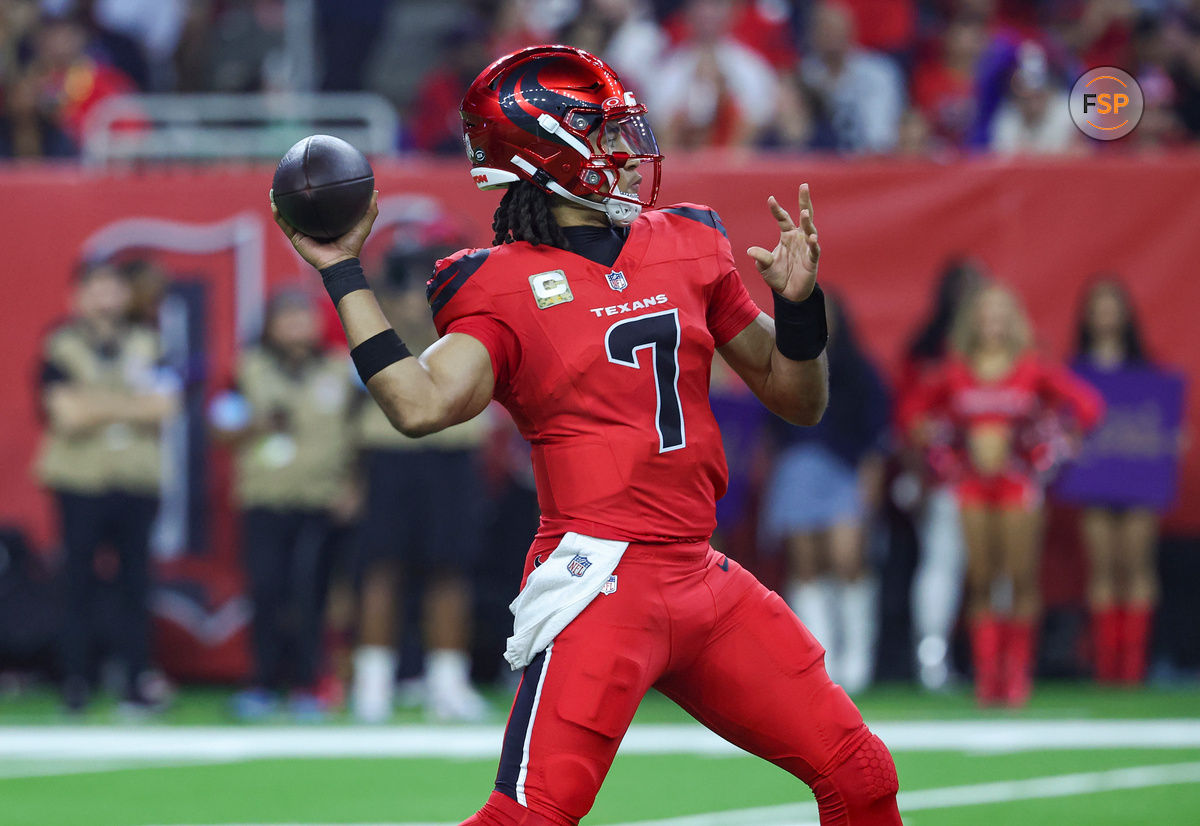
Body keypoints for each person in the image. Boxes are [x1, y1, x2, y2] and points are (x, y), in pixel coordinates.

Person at [272, 45, 900, 826]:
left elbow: (797, 397)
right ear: (545, 151)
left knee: (863, 775)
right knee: (526, 819)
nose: (629, 151)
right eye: (603, 132)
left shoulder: (690, 242)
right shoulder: (498, 281)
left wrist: (802, 314)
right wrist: (341, 269)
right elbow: (419, 403)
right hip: (601, 578)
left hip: (699, 573)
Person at [899, 281, 1103, 707]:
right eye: (985, 314)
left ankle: (1017, 675)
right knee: (982, 580)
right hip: (972, 485)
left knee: (1020, 578)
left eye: (1000, 314)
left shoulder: (1033, 368)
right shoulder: (955, 369)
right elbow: (912, 412)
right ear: (973, 321)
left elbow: (1087, 406)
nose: (992, 322)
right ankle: (988, 677)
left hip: (1017, 483)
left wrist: (1057, 443)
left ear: (1013, 321)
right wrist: (938, 442)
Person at [351, 236, 491, 723]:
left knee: (451, 568)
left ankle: (448, 682)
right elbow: (399, 329)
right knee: (381, 566)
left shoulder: (468, 309)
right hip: (391, 453)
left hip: (453, 452)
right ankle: (372, 685)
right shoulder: (380, 311)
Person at [36, 261, 179, 712]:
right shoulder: (60, 343)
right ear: (76, 296)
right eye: (94, 289)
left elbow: (164, 407)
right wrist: (128, 405)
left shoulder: (148, 342)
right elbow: (66, 416)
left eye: (112, 289)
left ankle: (136, 680)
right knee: (76, 580)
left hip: (136, 477)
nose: (105, 298)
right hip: (79, 478)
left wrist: (94, 401)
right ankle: (75, 680)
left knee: (136, 582)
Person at [211, 288, 358, 720]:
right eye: (287, 317)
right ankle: (260, 683)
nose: (297, 326)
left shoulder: (340, 370)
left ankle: (310, 684)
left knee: (311, 593)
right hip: (264, 498)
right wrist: (257, 423)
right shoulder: (247, 369)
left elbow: (364, 431)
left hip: (320, 499)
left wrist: (354, 484)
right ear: (270, 325)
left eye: (304, 316)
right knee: (266, 591)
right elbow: (220, 428)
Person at [760, 293, 890, 695]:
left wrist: (872, 479)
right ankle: (822, 657)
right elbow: (772, 425)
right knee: (807, 565)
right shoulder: (787, 363)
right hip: (797, 470)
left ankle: (858, 659)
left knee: (848, 559)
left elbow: (877, 434)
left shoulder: (861, 371)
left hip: (845, 472)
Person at [1069, 278, 1165, 685]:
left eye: (1113, 307)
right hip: (1096, 481)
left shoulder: (1144, 369)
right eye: (1099, 307)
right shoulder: (1076, 371)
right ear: (1088, 317)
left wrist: (1167, 438)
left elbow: (1161, 418)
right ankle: (1108, 665)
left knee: (1137, 564)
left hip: (1137, 480)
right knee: (1103, 566)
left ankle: (1133, 664)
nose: (1106, 316)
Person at [898, 257, 983, 691]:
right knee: (942, 563)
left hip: (1002, 479)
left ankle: (996, 662)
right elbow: (909, 416)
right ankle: (932, 657)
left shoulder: (1012, 356)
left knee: (994, 569)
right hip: (947, 477)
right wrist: (920, 467)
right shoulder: (934, 355)